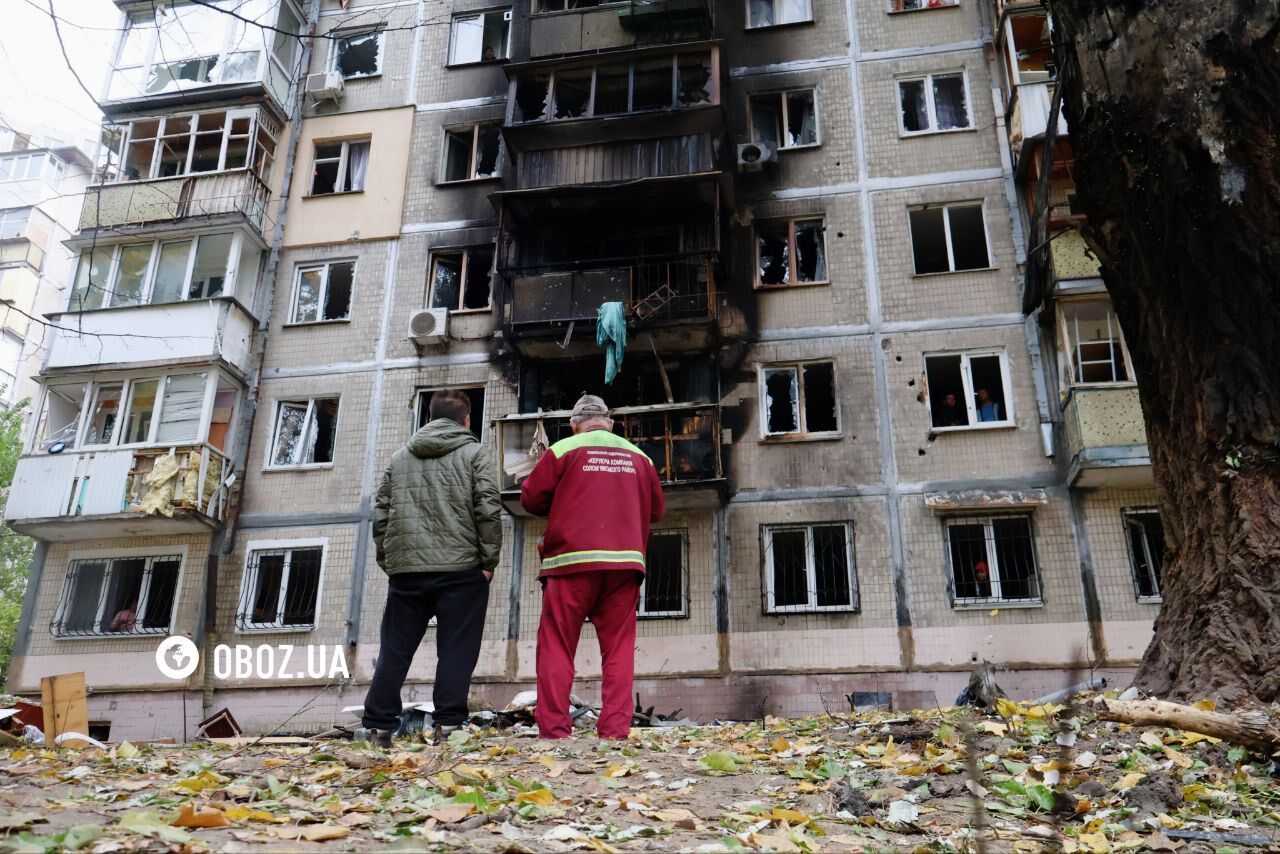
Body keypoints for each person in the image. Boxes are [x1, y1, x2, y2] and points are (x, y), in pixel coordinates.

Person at [362, 389, 502, 748]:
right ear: (467, 419)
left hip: (407, 569)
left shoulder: (399, 458)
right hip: (462, 569)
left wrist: (390, 560)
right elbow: (487, 508)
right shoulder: (475, 453)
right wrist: (488, 561)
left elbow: (380, 515)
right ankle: (450, 726)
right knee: (456, 647)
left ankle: (378, 726)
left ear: (429, 417)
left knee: (395, 648)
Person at [521, 395, 665, 740]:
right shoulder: (640, 457)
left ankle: (555, 731)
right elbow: (657, 511)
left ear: (574, 424)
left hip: (570, 563)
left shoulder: (563, 449)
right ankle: (614, 731)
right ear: (610, 423)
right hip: (625, 566)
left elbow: (530, 498)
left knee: (556, 644)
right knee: (618, 649)